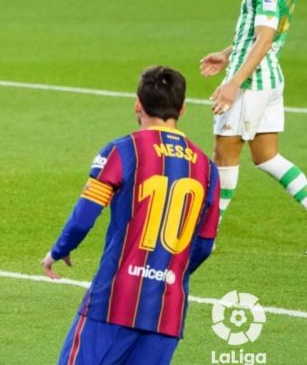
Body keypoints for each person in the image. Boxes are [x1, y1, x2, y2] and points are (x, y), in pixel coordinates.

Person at [41, 66, 221, 365]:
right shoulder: (207, 167)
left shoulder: (123, 150)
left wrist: (59, 250)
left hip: (115, 300)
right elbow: (203, 245)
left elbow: (85, 216)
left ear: (138, 104)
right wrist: (166, 274)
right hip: (167, 310)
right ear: (182, 109)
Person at [200, 0, 305, 221]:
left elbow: (265, 38)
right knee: (267, 157)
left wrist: (234, 83)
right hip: (270, 77)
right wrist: (227, 53)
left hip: (251, 82)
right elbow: (261, 34)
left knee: (224, 157)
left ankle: (208, 234)